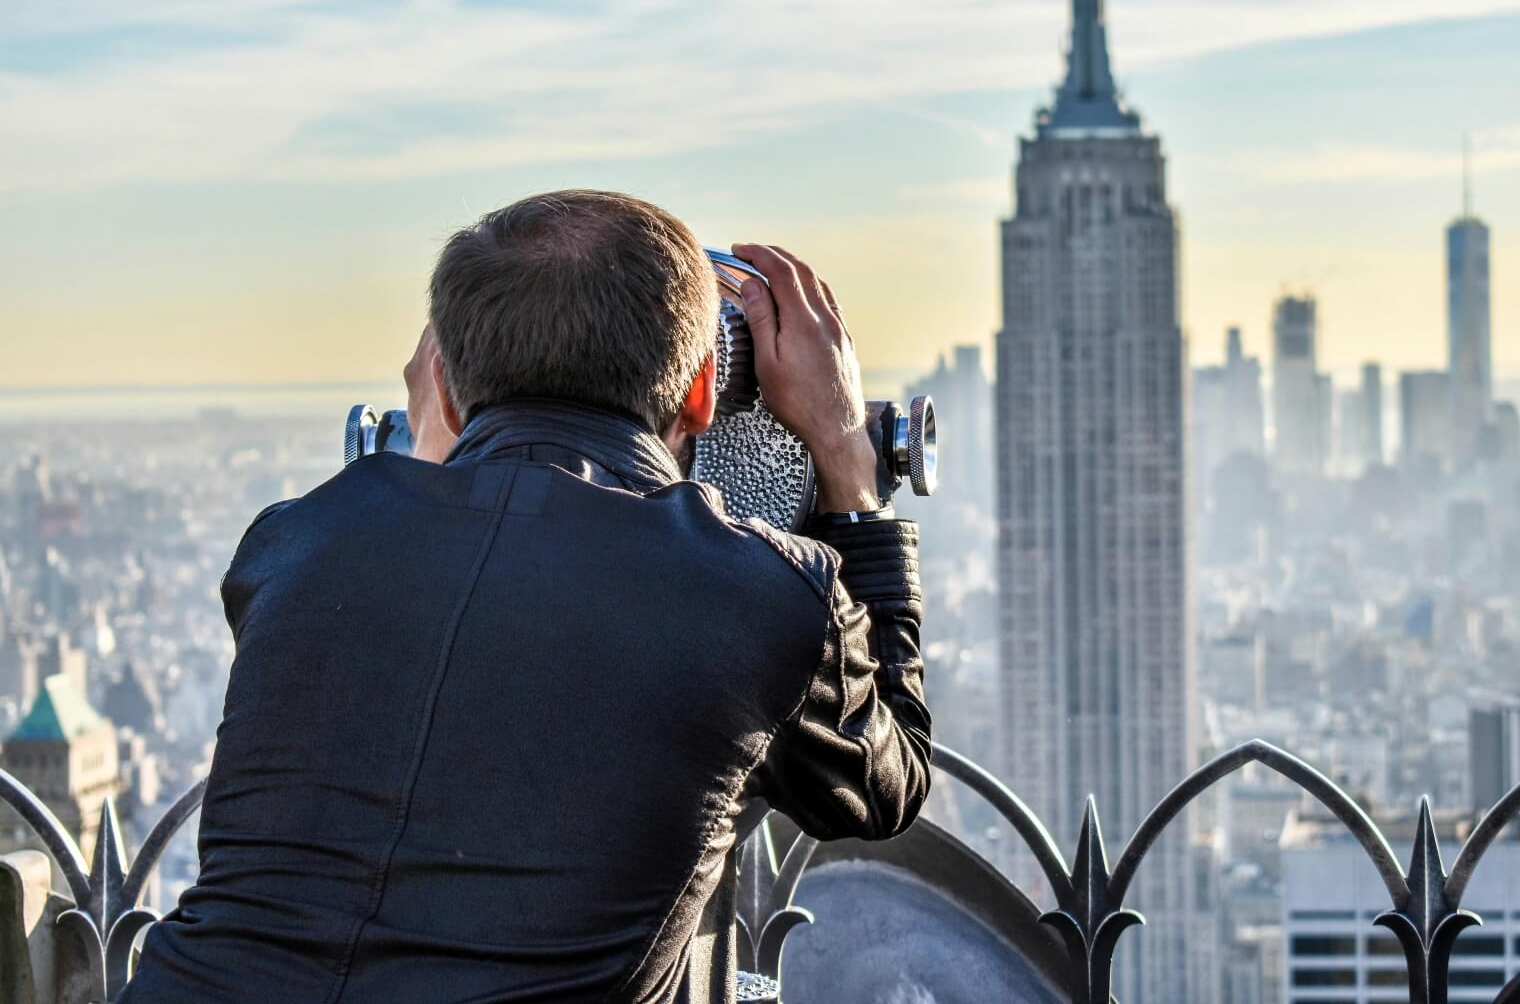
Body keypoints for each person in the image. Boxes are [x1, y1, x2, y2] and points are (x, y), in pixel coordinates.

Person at [121, 190, 931, 1003]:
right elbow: (883, 783)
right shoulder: (765, 595)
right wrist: (846, 468)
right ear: (700, 392)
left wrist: (433, 455)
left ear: (440, 387)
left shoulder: (293, 546)